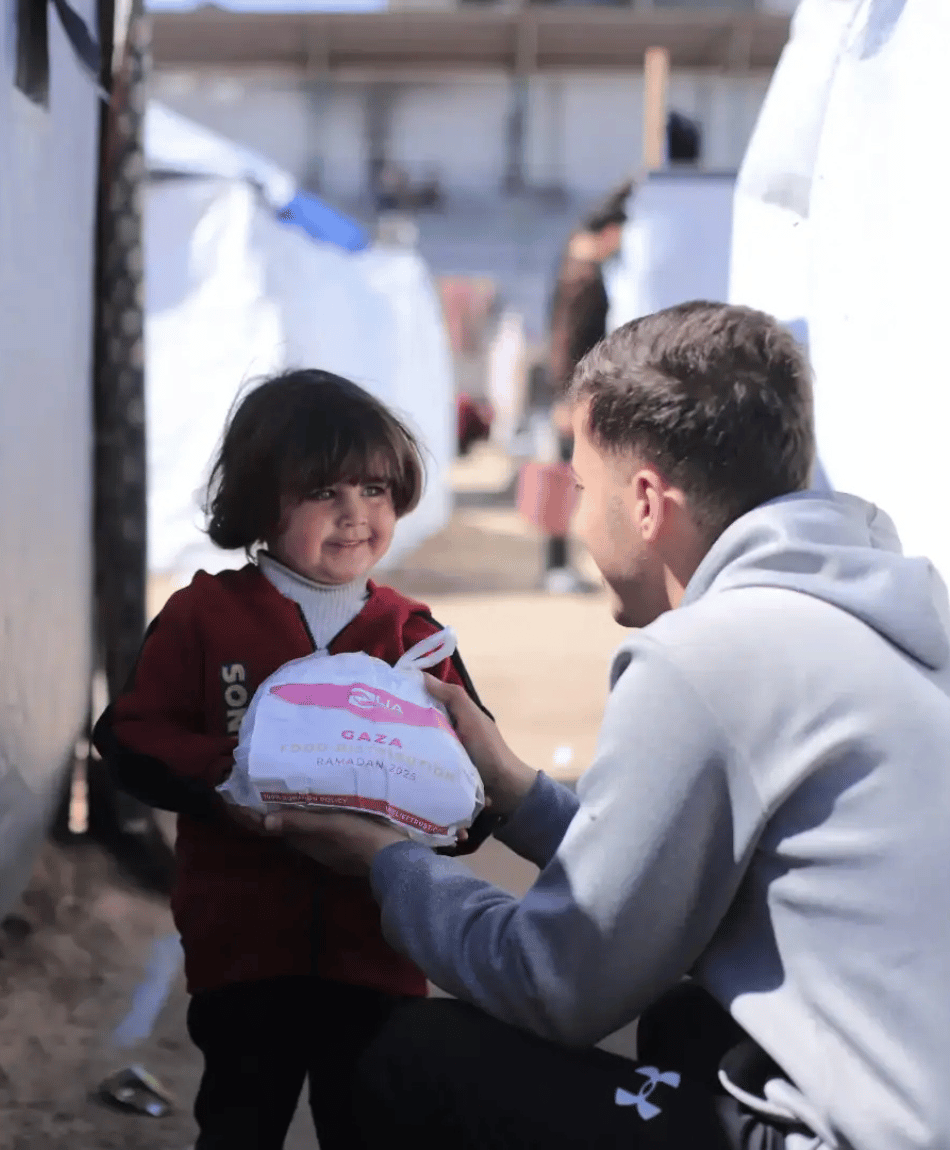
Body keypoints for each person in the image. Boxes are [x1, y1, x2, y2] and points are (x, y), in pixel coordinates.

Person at [262, 303, 950, 1150]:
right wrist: (516, 795)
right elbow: (654, 881)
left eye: (583, 488)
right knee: (686, 1023)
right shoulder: (875, 619)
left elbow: (556, 979)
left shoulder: (708, 659)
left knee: (399, 1057)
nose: (577, 519)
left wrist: (388, 864)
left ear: (649, 501)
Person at [92, 370, 494, 1150]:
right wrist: (227, 775)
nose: (355, 515)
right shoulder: (204, 615)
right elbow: (130, 737)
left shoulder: (415, 637)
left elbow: (478, 794)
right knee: (241, 1123)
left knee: (369, 1123)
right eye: (325, 492)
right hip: (243, 954)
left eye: (375, 490)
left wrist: (439, 815)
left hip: (379, 952)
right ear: (259, 500)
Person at [542, 178, 633, 593]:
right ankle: (556, 567)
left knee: (568, 478)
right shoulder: (582, 275)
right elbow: (566, 342)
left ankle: (559, 566)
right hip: (572, 394)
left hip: (570, 392)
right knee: (567, 479)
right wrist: (566, 398)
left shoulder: (573, 265)